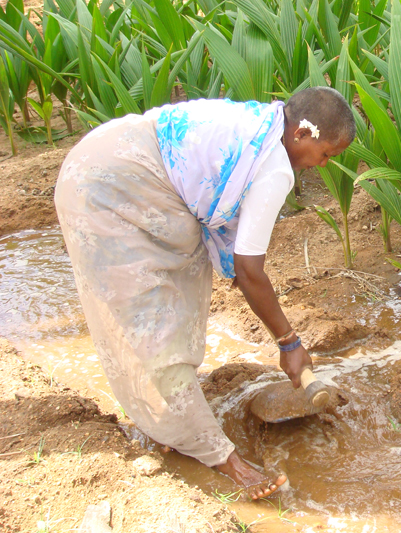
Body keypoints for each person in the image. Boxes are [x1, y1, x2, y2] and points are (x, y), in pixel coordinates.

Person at [54, 87, 356, 499]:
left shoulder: (262, 125)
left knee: (187, 273)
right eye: (325, 155)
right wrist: (290, 343)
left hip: (112, 154)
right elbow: (250, 273)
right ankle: (219, 457)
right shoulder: (274, 167)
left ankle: (172, 416)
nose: (322, 167)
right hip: (109, 187)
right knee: (148, 320)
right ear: (303, 132)